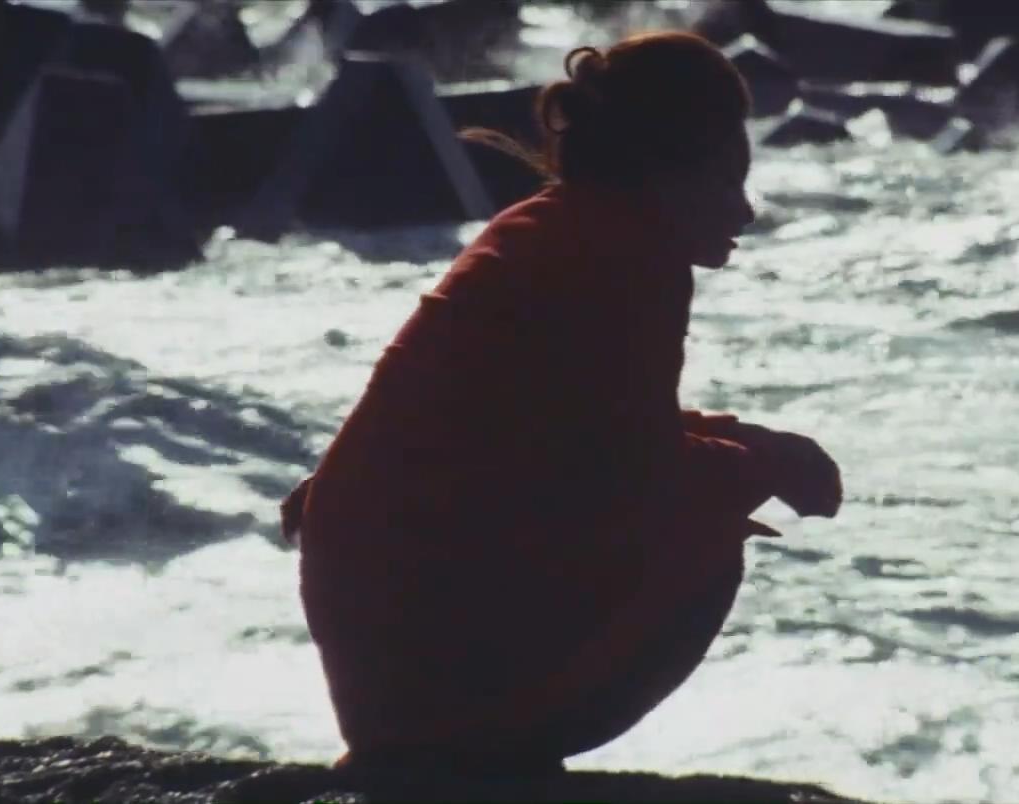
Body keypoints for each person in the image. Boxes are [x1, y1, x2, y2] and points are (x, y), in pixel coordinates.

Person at [280, 31, 843, 781]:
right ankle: (482, 745)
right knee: (709, 529)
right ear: (666, 177)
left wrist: (748, 445)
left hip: (370, 597)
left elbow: (571, 427)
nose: (744, 212)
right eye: (726, 181)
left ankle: (431, 739)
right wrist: (767, 464)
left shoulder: (541, 224)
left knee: (709, 483)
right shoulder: (632, 254)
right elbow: (626, 466)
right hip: (416, 618)